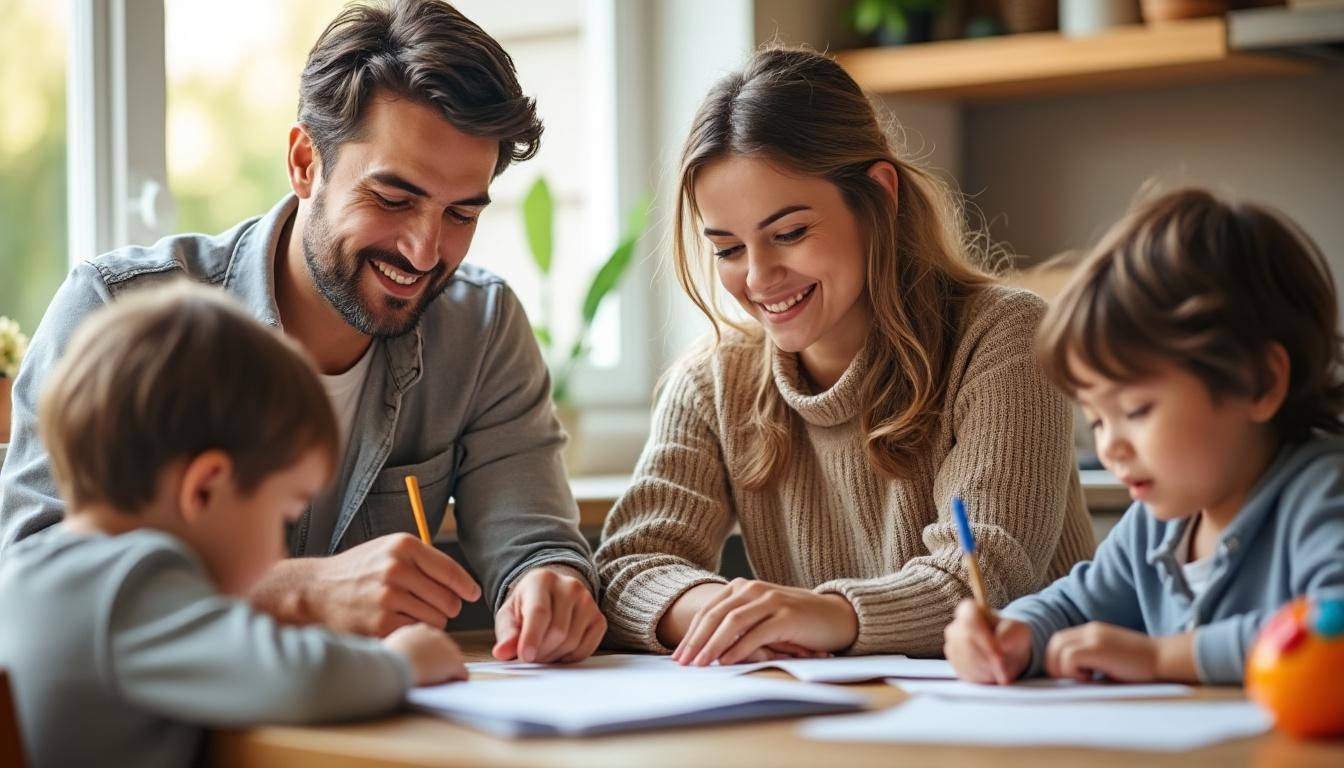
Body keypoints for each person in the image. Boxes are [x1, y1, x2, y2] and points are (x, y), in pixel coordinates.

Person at [0, 0, 604, 664]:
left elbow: (536, 544)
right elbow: (23, 579)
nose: (426, 251)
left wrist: (550, 588)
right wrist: (293, 590)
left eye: (461, 213)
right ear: (304, 163)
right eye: (394, 199)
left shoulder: (482, 331)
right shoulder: (113, 313)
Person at [595, 47, 1095, 665]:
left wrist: (825, 615)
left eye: (789, 233)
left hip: (1032, 720)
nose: (758, 277)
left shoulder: (1004, 338)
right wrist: (726, 615)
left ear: (878, 195)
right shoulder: (712, 381)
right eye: (726, 248)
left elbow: (988, 579)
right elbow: (627, 565)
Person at [0, 284, 467, 767]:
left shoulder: (26, 570)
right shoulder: (131, 585)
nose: (278, 554)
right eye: (284, 516)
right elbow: (297, 678)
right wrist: (403, 663)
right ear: (206, 488)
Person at [943, 188, 1344, 685]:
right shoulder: (1156, 527)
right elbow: (1073, 606)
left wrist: (1161, 658)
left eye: (1135, 410)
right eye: (1097, 420)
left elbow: (1332, 634)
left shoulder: (1324, 492)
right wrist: (1014, 634)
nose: (1110, 446)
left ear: (1258, 382)